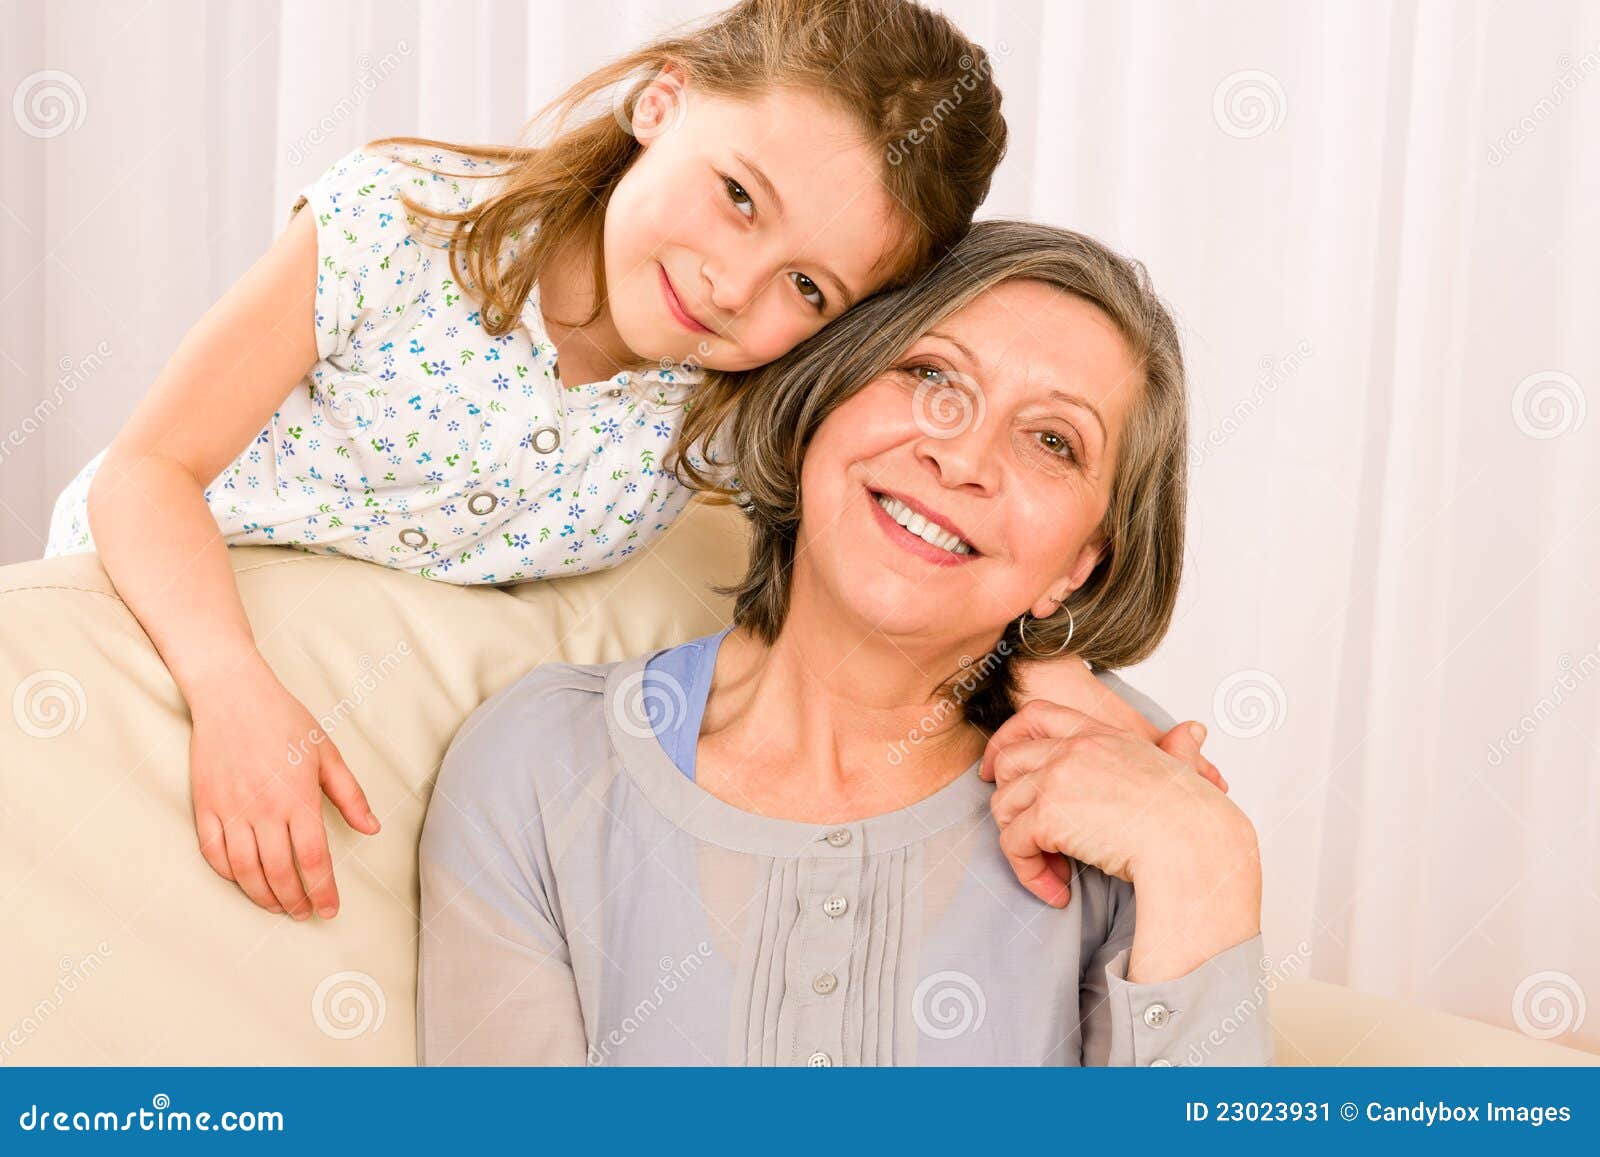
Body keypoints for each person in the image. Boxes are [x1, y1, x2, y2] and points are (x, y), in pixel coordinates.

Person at [39, 0, 1008, 922]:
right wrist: (230, 684)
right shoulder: (400, 225)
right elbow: (148, 469)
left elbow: (922, 529)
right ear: (661, 102)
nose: (731, 286)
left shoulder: (731, 400)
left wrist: (1047, 690)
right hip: (155, 615)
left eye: (806, 284)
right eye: (738, 197)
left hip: (346, 675)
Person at [416, 220, 1273, 1066]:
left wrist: (1207, 858)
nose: (963, 457)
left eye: (1054, 441)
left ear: (1080, 564)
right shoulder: (543, 767)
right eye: (931, 374)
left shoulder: (1130, 807)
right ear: (821, 404)